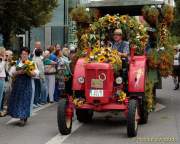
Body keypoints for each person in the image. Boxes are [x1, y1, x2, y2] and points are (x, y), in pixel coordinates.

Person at [8, 47, 39, 126]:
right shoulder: (17, 62)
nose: (24, 55)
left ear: (28, 54)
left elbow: (36, 73)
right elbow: (11, 73)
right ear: (20, 55)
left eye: (25, 54)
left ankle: (23, 118)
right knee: (18, 100)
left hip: (27, 84)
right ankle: (21, 116)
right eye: (22, 54)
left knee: (25, 100)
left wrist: (29, 72)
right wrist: (18, 72)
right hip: (18, 85)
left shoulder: (31, 62)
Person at [0, 50, 14, 117]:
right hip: (4, 80)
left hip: (10, 80)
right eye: (6, 55)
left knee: (8, 95)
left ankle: (7, 109)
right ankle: (4, 109)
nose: (7, 56)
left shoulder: (13, 63)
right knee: (4, 95)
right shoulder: (3, 61)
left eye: (8, 55)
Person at [0, 48, 6, 115]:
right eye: (4, 52)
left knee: (2, 95)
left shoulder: (2, 59)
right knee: (0, 96)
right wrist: (3, 61)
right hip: (0, 78)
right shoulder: (1, 59)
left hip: (2, 78)